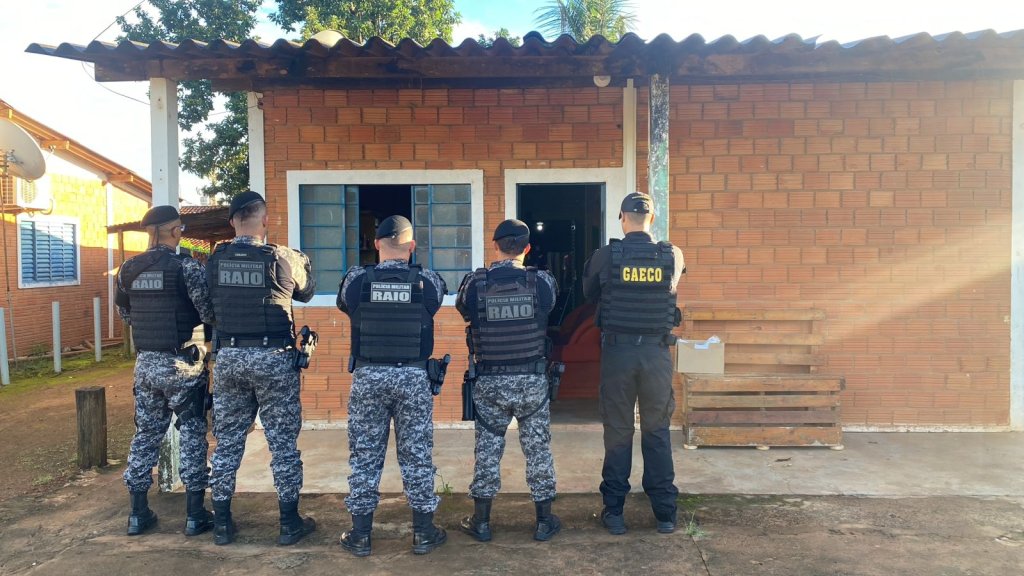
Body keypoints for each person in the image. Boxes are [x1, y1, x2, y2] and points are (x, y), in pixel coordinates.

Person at [206, 191, 316, 546]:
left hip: (229, 358)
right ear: (265, 220)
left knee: (227, 443)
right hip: (274, 359)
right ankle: (289, 524)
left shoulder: (215, 260)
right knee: (283, 444)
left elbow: (207, 308)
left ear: (232, 222)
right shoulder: (283, 257)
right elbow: (307, 292)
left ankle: (222, 525)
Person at [336, 215, 448, 557]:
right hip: (413, 378)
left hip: (369, 377)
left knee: (365, 456)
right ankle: (423, 533)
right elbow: (436, 302)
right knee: (417, 455)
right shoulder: (427, 281)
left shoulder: (356, 280)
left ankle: (360, 535)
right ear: (412, 246)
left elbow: (344, 304)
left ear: (376, 244)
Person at [581, 192, 686, 535]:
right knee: (657, 432)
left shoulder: (605, 256)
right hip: (656, 355)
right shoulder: (673, 255)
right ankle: (665, 514)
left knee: (618, 431)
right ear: (652, 219)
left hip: (619, 354)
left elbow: (589, 293)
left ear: (622, 218)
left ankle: (614, 513)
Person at [456, 219, 561, 543]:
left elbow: (464, 310)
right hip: (531, 382)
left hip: (490, 382)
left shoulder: (475, 283)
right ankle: (543, 521)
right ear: (527, 248)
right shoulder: (541, 282)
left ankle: (482, 522)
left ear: (495, 245)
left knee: (487, 450)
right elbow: (550, 308)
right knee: (538, 449)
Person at [115, 205, 215, 537]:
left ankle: (137, 513)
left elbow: (125, 315)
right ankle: (195, 514)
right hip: (181, 365)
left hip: (145, 364)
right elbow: (208, 312)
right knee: (192, 433)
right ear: (175, 231)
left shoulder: (127, 269)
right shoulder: (186, 267)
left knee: (145, 434)